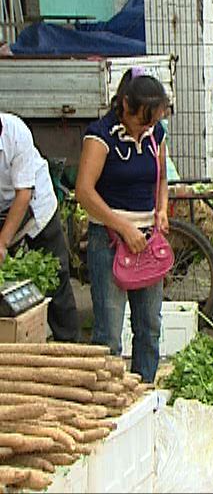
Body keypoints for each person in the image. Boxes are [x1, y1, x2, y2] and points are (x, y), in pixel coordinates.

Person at [75, 68, 170, 382]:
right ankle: (109, 402)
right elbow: (84, 192)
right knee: (109, 333)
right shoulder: (100, 135)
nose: (150, 126)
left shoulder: (156, 134)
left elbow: (162, 178)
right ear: (126, 106)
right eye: (144, 119)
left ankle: (144, 391)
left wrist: (162, 210)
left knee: (149, 327)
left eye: (154, 120)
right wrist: (123, 227)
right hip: (110, 241)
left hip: (148, 241)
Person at [0, 113, 78, 342]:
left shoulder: (16, 132)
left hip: (35, 207)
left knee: (56, 276)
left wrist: (3, 243)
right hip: (2, 207)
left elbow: (24, 194)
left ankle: (69, 348)